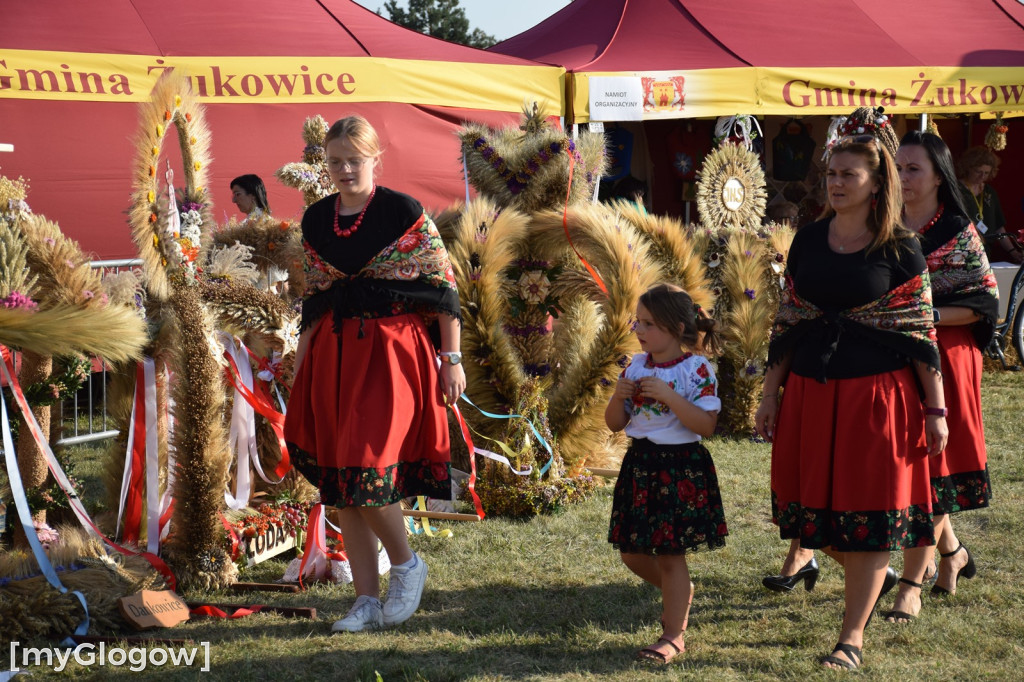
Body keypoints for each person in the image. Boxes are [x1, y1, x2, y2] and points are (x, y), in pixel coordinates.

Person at [754, 107, 947, 671]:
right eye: (831, 174)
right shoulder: (808, 242)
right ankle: (876, 575)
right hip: (811, 395)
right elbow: (788, 322)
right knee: (814, 517)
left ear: (876, 181)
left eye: (848, 175)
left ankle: (851, 638)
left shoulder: (901, 249)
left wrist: (935, 410)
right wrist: (770, 394)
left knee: (867, 518)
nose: (836, 184)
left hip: (877, 400)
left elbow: (920, 334)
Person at [283, 115, 465, 633]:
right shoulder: (317, 219)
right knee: (340, 486)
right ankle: (365, 600)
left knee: (367, 468)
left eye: (353, 160)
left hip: (390, 357)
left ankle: (406, 565)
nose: (343, 170)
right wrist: (300, 370)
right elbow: (314, 302)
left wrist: (451, 360)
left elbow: (442, 288)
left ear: (374, 158)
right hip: (332, 358)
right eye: (334, 161)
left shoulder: (400, 211)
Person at [883, 131, 999, 622]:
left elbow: (983, 303)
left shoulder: (957, 228)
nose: (904, 177)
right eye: (898, 167)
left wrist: (919, 316)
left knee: (937, 463)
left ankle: (912, 582)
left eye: (914, 169)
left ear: (937, 176)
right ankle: (952, 553)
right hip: (894, 355)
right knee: (913, 459)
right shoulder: (880, 224)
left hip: (946, 355)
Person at [605, 283, 726, 665]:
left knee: (672, 555)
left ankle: (673, 634)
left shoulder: (697, 369)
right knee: (631, 552)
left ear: (675, 328)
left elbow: (705, 425)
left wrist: (670, 396)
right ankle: (680, 591)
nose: (639, 331)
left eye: (649, 324)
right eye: (637, 322)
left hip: (679, 469)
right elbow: (614, 423)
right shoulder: (636, 365)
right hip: (640, 467)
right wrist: (619, 396)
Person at [957, 146, 1019, 264]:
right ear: (968, 167)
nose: (982, 177)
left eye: (986, 173)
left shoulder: (989, 192)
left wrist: (1013, 251)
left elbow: (998, 227)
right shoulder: (956, 190)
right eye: (978, 171)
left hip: (985, 252)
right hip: (962, 252)